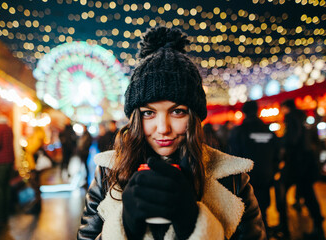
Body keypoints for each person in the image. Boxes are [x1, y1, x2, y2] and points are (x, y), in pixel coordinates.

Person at [78, 26, 266, 240]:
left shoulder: (233, 180)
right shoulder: (107, 174)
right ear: (135, 119)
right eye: (149, 113)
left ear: (194, 117)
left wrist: (195, 225)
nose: (163, 128)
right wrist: (124, 228)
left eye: (177, 112)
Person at [228, 101, 279, 235]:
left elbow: (233, 155)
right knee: (263, 208)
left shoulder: (239, 132)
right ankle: (265, 231)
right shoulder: (267, 131)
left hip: (246, 179)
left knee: (248, 216)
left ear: (244, 113)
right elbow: (276, 153)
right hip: (266, 176)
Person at [277, 99, 325, 239]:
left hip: (297, 163)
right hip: (307, 162)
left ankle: (284, 227)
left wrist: (280, 142)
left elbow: (292, 139)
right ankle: (318, 226)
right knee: (308, 194)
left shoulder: (291, 118)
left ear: (286, 108)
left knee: (283, 189)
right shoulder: (303, 118)